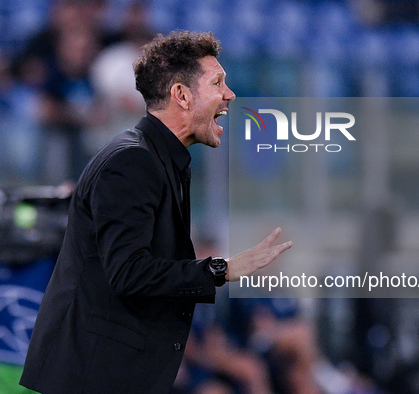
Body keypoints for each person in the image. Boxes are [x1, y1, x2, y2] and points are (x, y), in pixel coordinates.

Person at [19, 30, 292, 394]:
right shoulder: (132, 162)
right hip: (92, 377)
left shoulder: (161, 161)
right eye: (218, 83)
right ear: (181, 94)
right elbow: (129, 272)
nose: (230, 95)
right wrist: (220, 270)